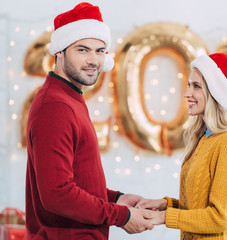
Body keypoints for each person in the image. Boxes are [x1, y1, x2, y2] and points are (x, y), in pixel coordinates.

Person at [25, 2, 155, 239]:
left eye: (100, 50)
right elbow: (57, 193)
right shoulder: (55, 106)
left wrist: (116, 199)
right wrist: (121, 216)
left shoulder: (69, 98)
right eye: (82, 50)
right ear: (60, 51)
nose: (93, 60)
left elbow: (76, 181)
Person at [136, 53, 227, 239]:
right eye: (189, 85)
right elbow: (199, 206)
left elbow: (219, 218)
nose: (187, 93)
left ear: (215, 94)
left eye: (196, 86)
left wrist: (163, 217)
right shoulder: (204, 138)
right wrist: (164, 204)